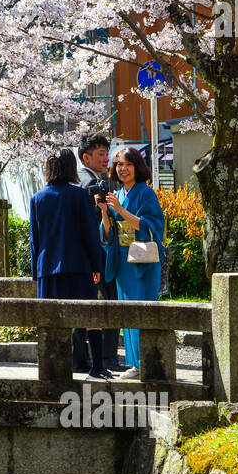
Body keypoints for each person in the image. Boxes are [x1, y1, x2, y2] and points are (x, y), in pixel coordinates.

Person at [30, 148, 111, 379]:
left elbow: (34, 239)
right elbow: (89, 234)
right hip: (79, 265)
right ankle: (97, 367)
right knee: (89, 315)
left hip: (48, 268)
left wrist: (36, 272)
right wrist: (97, 266)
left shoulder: (37, 198)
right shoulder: (79, 195)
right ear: (71, 168)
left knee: (51, 321)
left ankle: (52, 369)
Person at [98, 146, 166, 379]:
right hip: (123, 261)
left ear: (138, 167)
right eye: (119, 164)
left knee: (142, 309)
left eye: (128, 164)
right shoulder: (116, 196)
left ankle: (146, 362)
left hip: (143, 260)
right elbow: (108, 235)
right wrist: (106, 214)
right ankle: (135, 363)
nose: (123, 169)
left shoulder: (146, 193)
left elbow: (152, 226)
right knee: (127, 311)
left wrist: (121, 211)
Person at [74, 134, 128, 373]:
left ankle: (82, 357)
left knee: (83, 302)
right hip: (98, 252)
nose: (107, 159)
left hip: (87, 253)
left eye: (107, 153)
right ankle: (107, 356)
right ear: (86, 157)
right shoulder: (89, 183)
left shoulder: (84, 180)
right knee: (110, 301)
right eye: (100, 155)